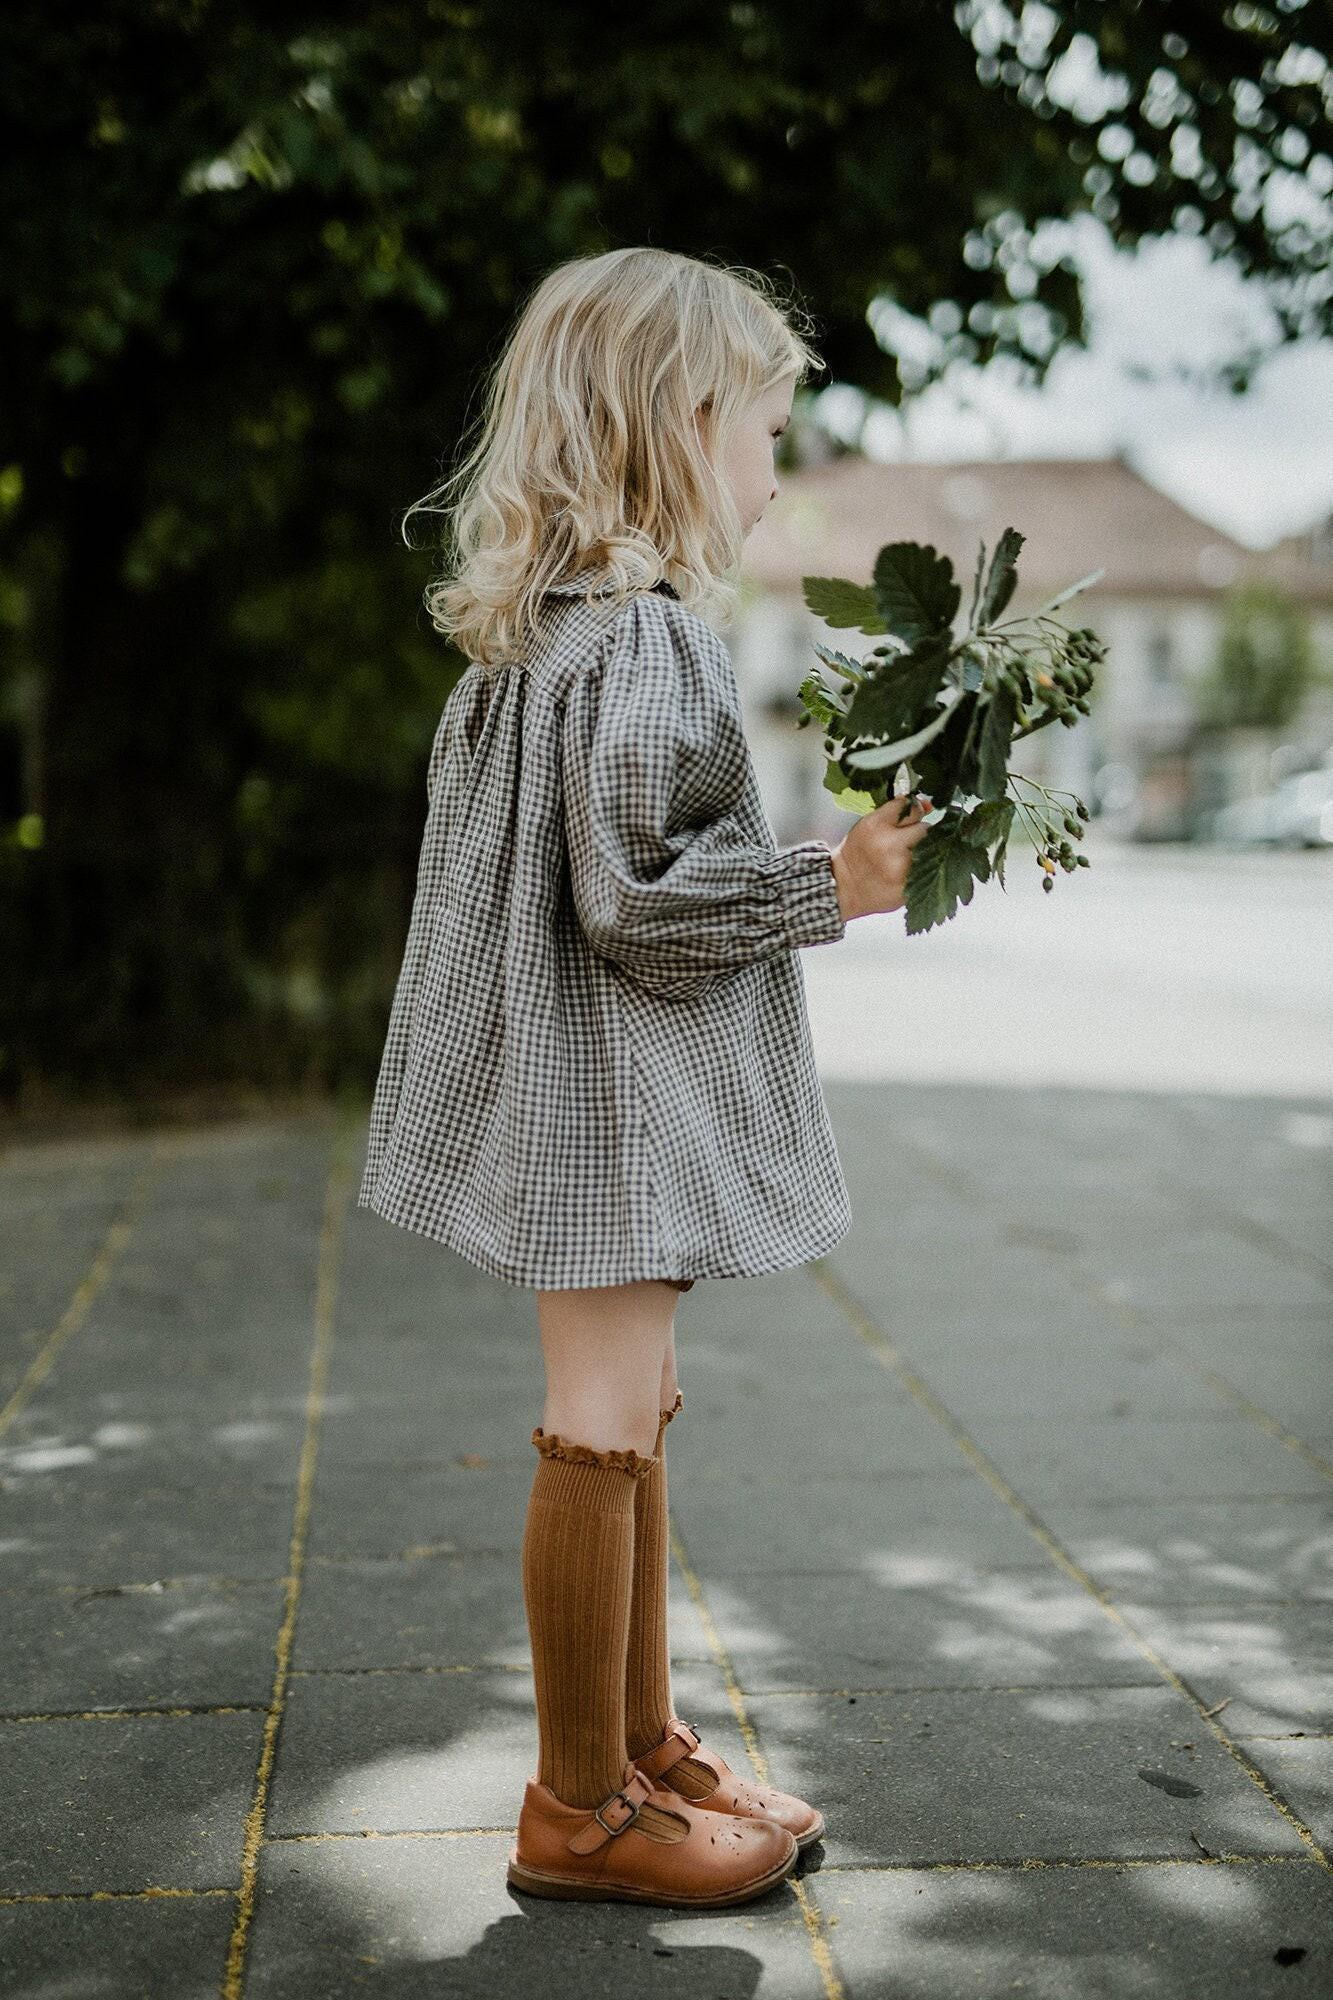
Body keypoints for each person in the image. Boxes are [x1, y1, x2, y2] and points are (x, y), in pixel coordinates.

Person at [356, 246, 932, 1908]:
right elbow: (633, 898)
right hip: (609, 1100)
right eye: (763, 430)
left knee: (631, 1406)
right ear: (677, 424)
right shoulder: (647, 645)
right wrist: (832, 882)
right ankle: (579, 1804)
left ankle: (640, 1741)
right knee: (599, 1422)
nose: (773, 474)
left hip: (568, 1088)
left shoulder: (529, 645)